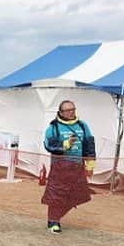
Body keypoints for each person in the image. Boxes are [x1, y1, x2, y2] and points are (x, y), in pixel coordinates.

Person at [41, 100, 95, 234]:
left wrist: (90, 164)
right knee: (57, 195)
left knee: (78, 195)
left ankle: (56, 217)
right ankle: (53, 221)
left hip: (77, 167)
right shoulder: (53, 128)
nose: (71, 112)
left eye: (73, 109)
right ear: (60, 112)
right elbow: (49, 146)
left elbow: (89, 145)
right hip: (60, 167)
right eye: (67, 110)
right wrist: (66, 144)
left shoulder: (83, 126)